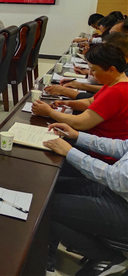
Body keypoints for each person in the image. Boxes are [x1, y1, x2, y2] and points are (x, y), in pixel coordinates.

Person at [44, 123, 128, 276]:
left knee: (46, 209)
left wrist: (70, 152)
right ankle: (47, 253)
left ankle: (108, 257)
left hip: (123, 206)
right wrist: (77, 136)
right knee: (51, 190)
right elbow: (122, 147)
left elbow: (117, 179)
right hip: (118, 193)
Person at [32, 44, 128, 160]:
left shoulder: (116, 92)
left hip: (101, 153)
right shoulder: (116, 84)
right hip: (97, 143)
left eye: (93, 70)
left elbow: (80, 123)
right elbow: (90, 102)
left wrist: (49, 112)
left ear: (111, 69)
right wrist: (68, 103)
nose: (90, 74)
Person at [46, 33, 128, 100]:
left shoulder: (120, 84)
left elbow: (97, 101)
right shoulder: (119, 72)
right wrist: (79, 84)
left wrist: (65, 91)